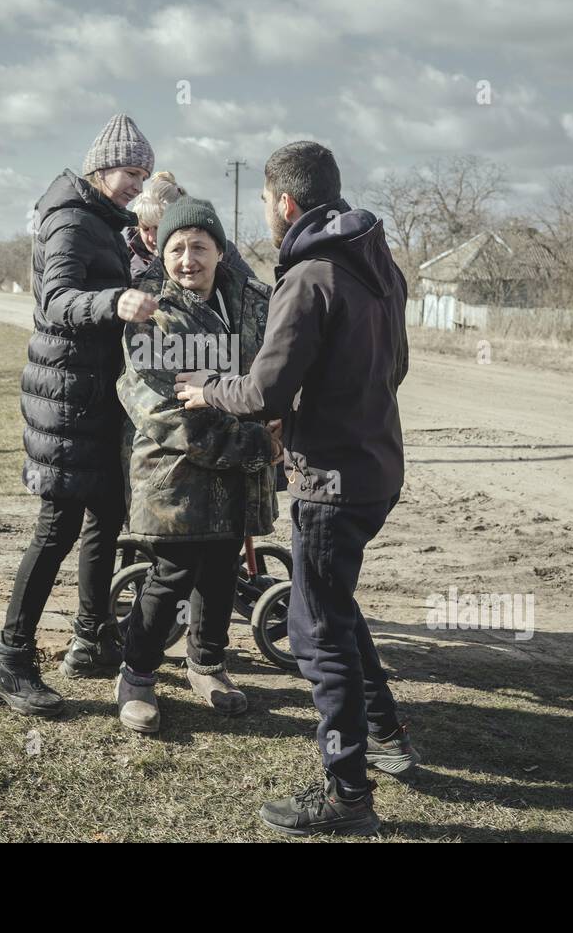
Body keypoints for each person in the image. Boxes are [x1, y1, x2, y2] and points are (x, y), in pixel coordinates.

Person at [176, 140, 421, 836]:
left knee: (316, 635)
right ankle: (386, 732)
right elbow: (390, 368)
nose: (265, 215)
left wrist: (206, 388)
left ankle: (347, 795)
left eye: (264, 203)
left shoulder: (310, 274)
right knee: (333, 600)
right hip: (377, 469)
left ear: (284, 203)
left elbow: (264, 388)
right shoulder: (377, 263)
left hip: (331, 484)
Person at [0, 113, 159, 717]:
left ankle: (91, 637)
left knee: (106, 514)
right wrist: (116, 300)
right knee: (57, 526)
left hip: (93, 394)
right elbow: (55, 300)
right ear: (101, 166)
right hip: (66, 399)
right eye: (131, 171)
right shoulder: (73, 218)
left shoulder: (102, 219)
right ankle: (9, 660)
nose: (137, 183)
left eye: (143, 174)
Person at [112, 196, 281, 733]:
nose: (188, 259)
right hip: (174, 475)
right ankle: (136, 675)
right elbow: (161, 411)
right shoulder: (153, 316)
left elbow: (275, 376)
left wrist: (279, 423)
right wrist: (257, 444)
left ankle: (207, 665)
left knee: (221, 570)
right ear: (162, 255)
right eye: (177, 248)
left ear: (220, 249)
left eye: (199, 247)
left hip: (238, 476)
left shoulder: (256, 301)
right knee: (172, 574)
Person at [127, 171, 257, 283]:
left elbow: (255, 293)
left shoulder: (221, 251)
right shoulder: (126, 258)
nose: (152, 238)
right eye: (145, 229)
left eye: (157, 228)